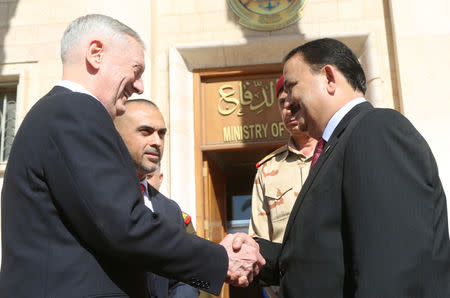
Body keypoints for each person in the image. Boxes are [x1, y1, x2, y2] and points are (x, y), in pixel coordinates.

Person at [0, 14, 264, 298]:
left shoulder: (58, 112)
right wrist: (220, 259)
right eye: (136, 70)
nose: (139, 86)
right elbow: (123, 226)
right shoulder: (75, 112)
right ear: (96, 54)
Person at [251, 38, 450, 297]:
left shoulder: (375, 131)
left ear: (329, 77)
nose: (287, 100)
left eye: (291, 86)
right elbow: (326, 258)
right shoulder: (338, 146)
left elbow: (394, 270)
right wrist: (255, 252)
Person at [115, 99, 198, 298]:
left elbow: (186, 275)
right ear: (116, 136)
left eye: (162, 133)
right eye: (146, 131)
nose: (157, 142)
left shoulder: (171, 211)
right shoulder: (92, 197)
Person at [249, 75, 317, 243]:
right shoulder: (267, 170)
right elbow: (260, 240)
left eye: (293, 100)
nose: (288, 107)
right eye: (282, 102)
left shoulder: (336, 152)